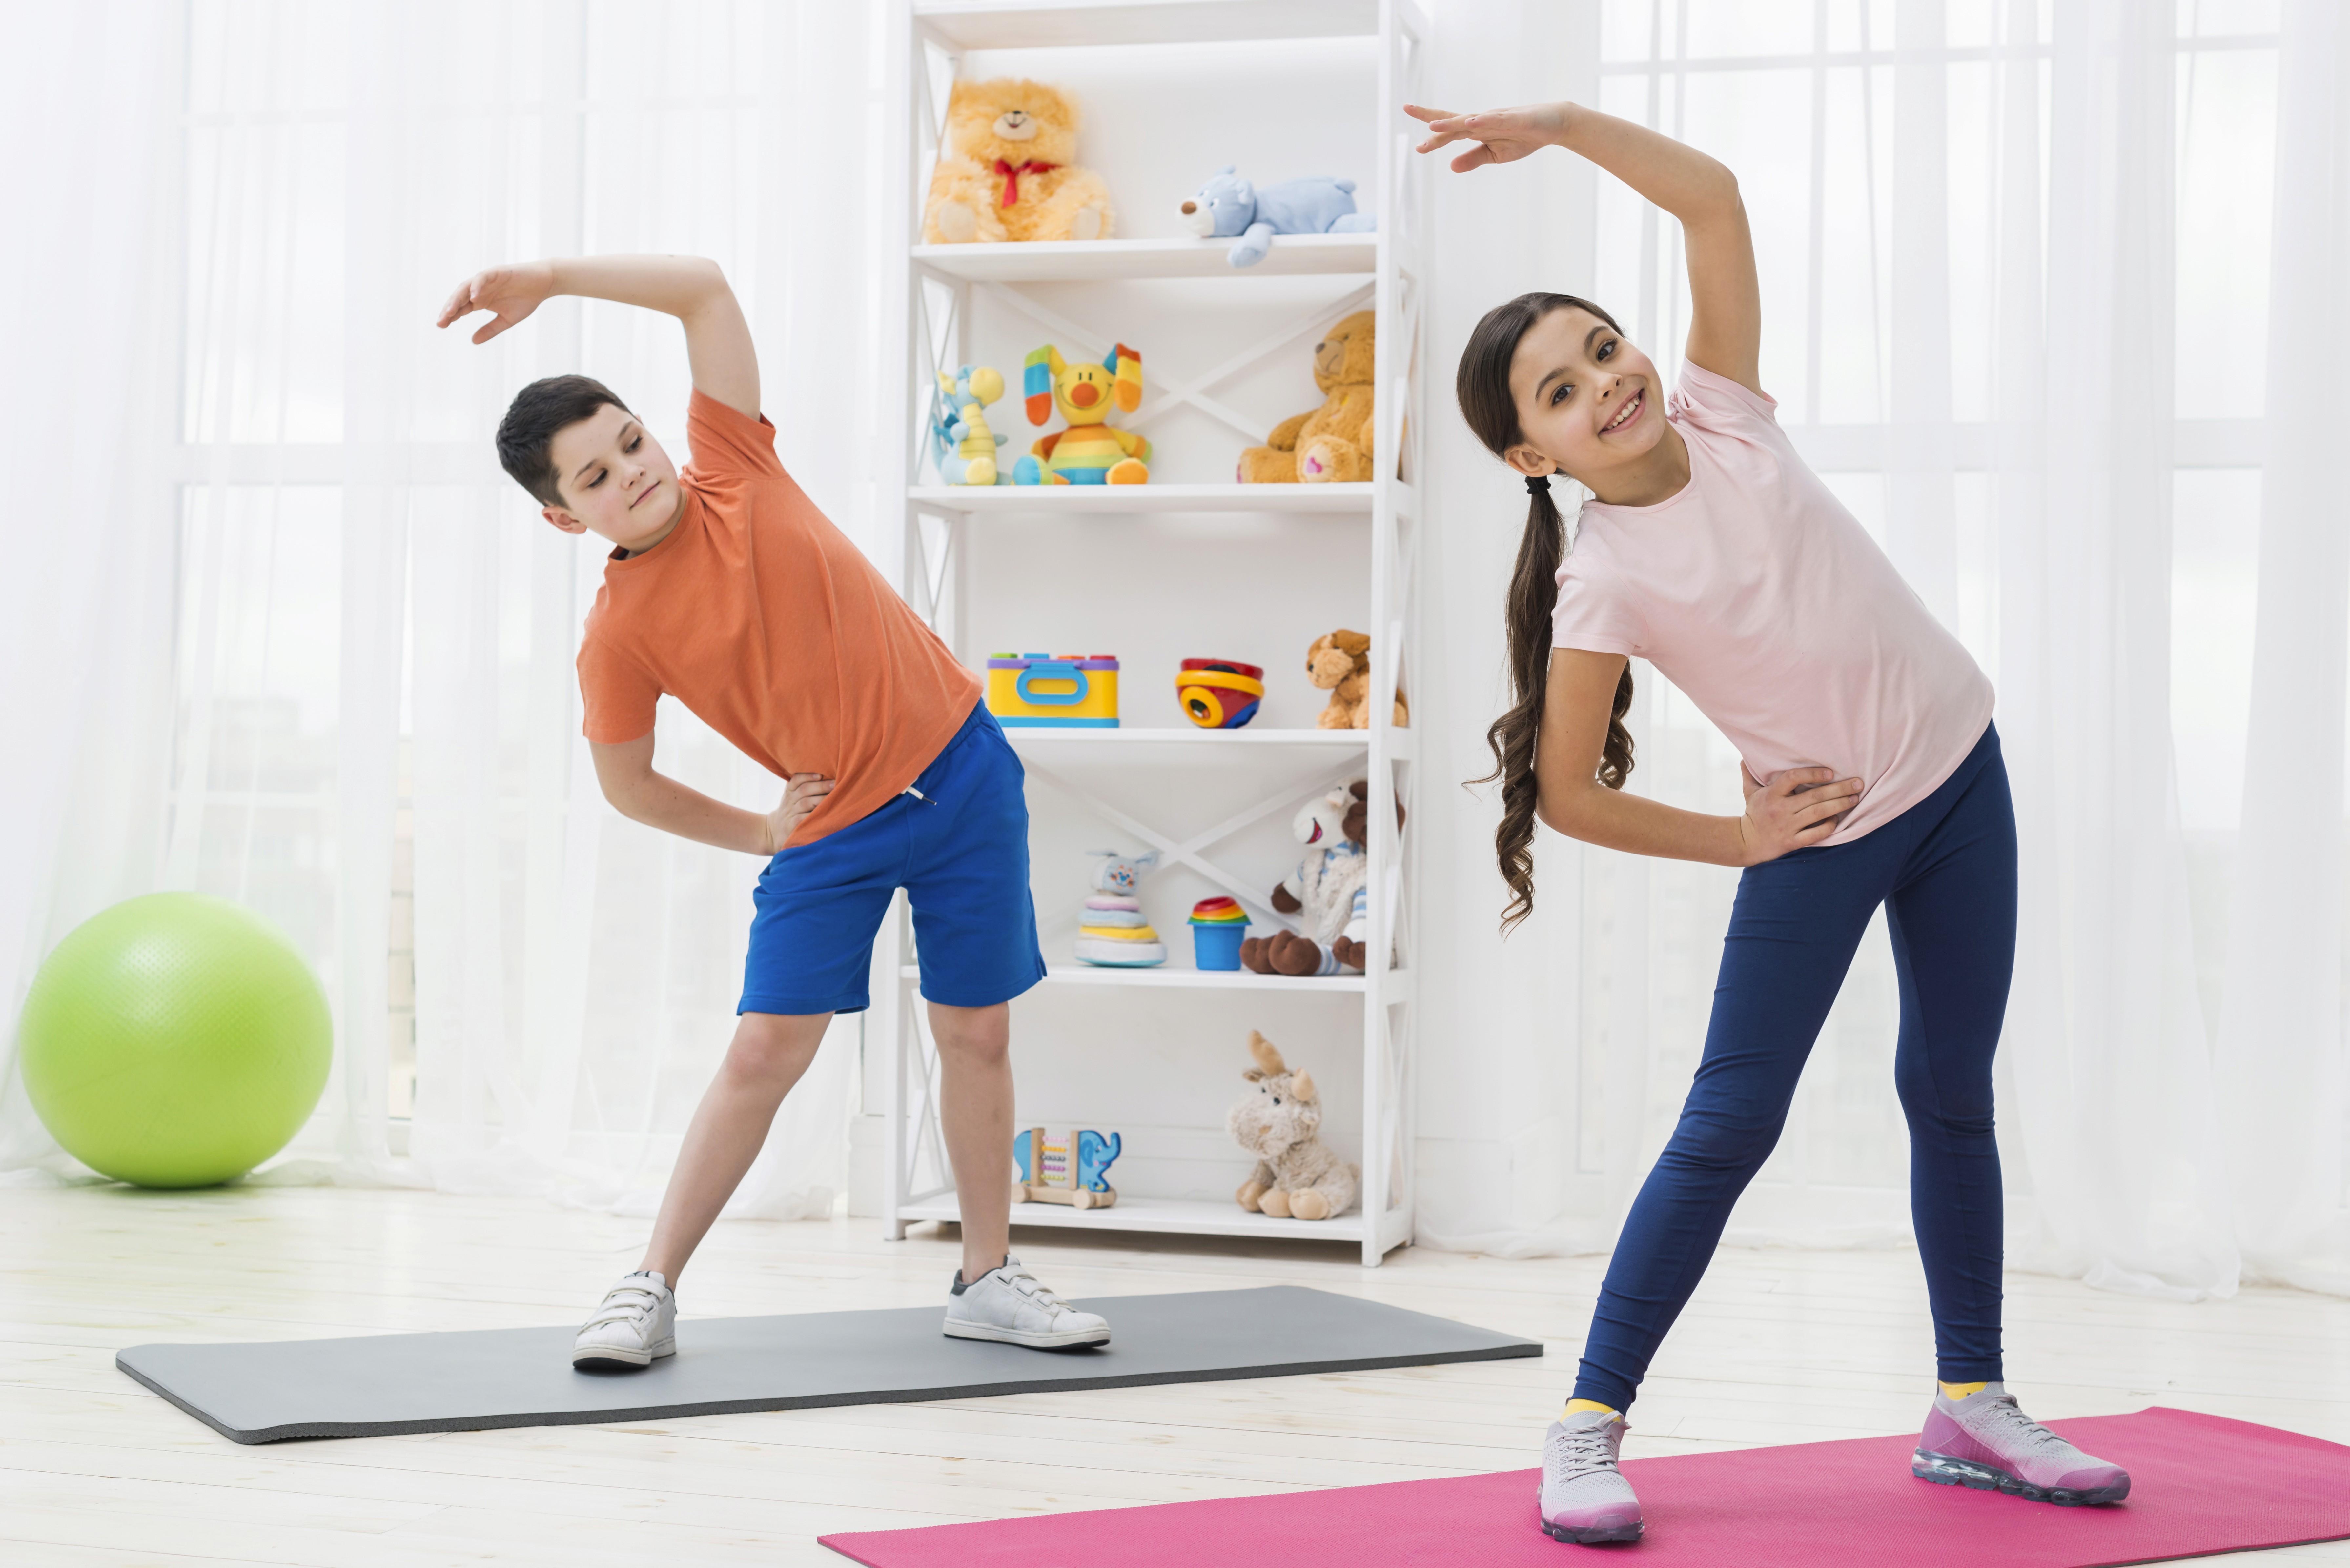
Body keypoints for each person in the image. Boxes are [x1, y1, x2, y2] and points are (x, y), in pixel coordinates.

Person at [1407, 102, 2130, 1544]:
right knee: (1730, 1121)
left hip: (1962, 777)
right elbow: (1568, 793)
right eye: (1557, 392)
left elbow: (1716, 199)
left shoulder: (1723, 410)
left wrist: (1556, 124)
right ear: (1530, 456)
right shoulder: (1600, 583)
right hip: (1831, 832)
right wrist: (1743, 839)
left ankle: (1971, 1400)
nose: (1604, 382)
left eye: (1601, 347)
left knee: (1949, 1092)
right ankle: (1584, 1423)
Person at [436, 254, 1108, 1366]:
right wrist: (758, 831)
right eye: (595, 479)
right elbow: (627, 785)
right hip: (833, 830)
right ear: (566, 519)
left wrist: (552, 278)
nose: (632, 476)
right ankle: (645, 1289)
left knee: (974, 1033)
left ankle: (986, 1278)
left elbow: (702, 289)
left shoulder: (738, 466)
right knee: (762, 1054)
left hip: (964, 770)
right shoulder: (618, 634)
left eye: (631, 443)